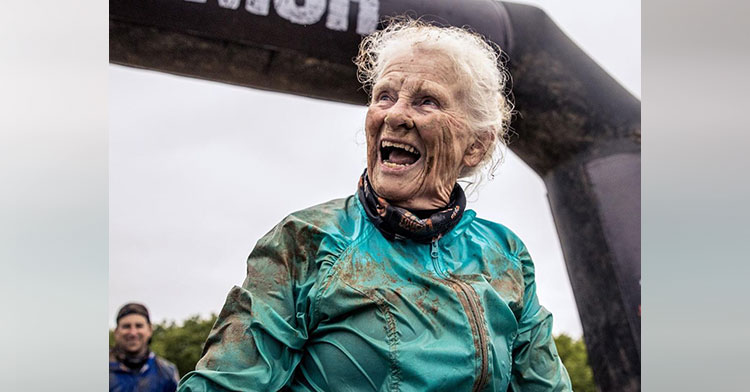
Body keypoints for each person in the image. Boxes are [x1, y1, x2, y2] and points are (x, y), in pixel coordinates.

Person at [179, 18, 572, 391]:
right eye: (384, 95)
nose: (395, 115)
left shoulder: (505, 256)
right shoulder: (306, 240)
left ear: (476, 146)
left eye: (427, 101)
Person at [110, 303, 180, 392]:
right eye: (126, 326)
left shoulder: (167, 372)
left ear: (150, 329)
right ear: (116, 332)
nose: (133, 333)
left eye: (139, 326)